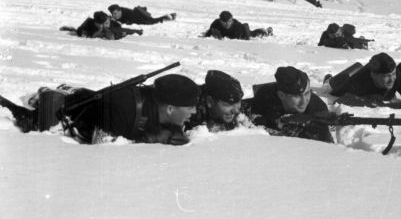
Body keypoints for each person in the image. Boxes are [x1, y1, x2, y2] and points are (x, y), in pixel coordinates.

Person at [0, 74, 199, 145]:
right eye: (189, 108)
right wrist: (152, 139)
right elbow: (102, 145)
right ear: (171, 108)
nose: (193, 113)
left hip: (92, 101)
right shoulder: (127, 111)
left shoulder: (157, 107)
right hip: (69, 115)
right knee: (28, 118)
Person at [247, 66, 333, 143]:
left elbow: (326, 147)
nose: (304, 101)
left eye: (307, 93)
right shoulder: (266, 98)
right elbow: (255, 130)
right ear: (281, 95)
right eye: (297, 96)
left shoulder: (317, 107)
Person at [327, 52, 401, 109]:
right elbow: (341, 100)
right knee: (332, 84)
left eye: (393, 74)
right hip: (339, 85)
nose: (392, 79)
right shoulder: (357, 84)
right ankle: (329, 78)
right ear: (374, 75)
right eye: (387, 76)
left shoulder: (396, 75)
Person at [60, 11, 143, 39]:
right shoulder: (90, 22)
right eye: (101, 24)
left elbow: (123, 32)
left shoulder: (115, 25)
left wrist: (113, 37)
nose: (104, 26)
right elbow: (80, 31)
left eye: (106, 23)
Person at [204, 10, 272, 40]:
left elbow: (235, 41)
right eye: (225, 22)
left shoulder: (236, 27)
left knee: (253, 34)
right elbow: (208, 33)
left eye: (230, 21)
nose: (227, 24)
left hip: (244, 32)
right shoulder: (215, 23)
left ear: (232, 20)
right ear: (220, 21)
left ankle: (266, 31)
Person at [108, 4, 176, 25]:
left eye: (115, 13)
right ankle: (167, 17)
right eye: (113, 14)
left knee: (152, 21)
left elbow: (124, 22)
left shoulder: (127, 13)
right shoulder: (120, 13)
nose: (114, 15)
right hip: (138, 13)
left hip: (140, 14)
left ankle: (168, 16)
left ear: (119, 11)